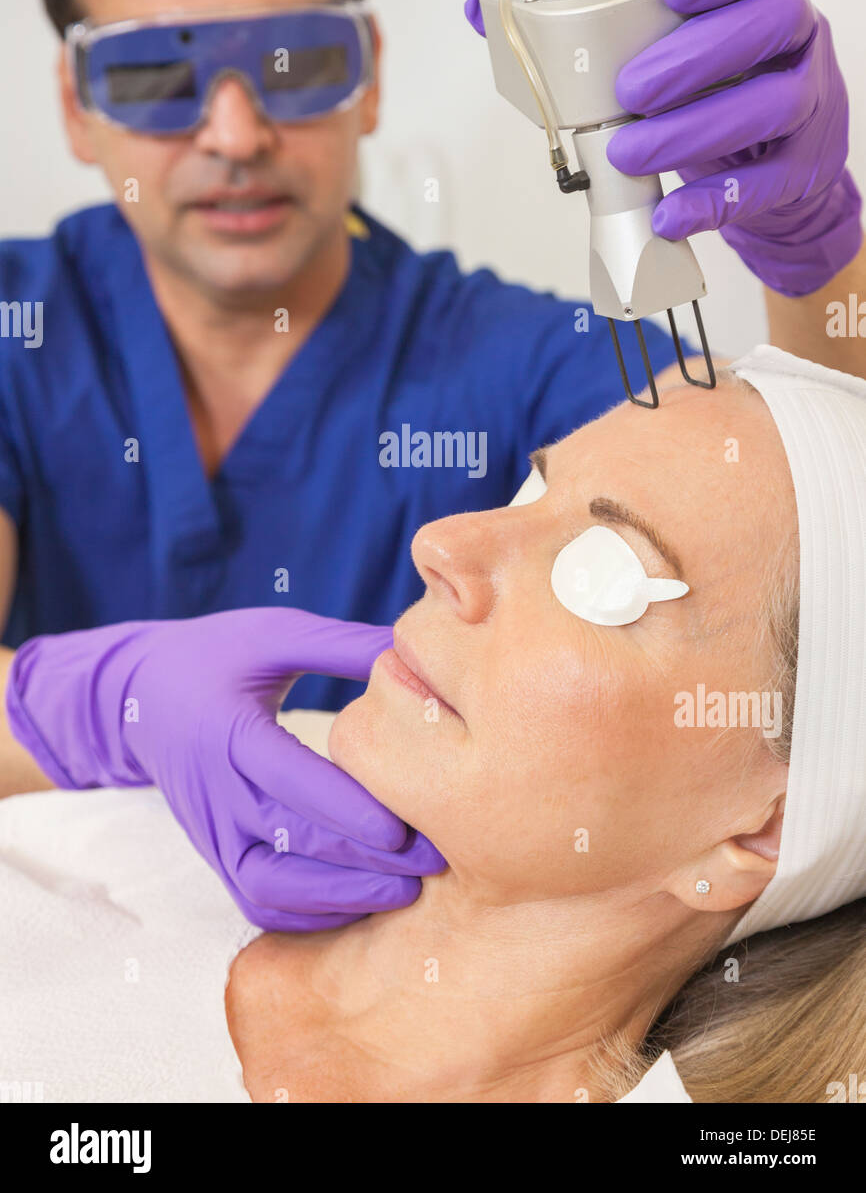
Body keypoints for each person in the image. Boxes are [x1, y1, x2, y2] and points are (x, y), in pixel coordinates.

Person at [1, 0, 863, 925]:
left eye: (291, 60)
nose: (233, 131)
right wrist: (102, 705)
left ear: (365, 74)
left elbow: (820, 542)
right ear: (75, 105)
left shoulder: (504, 363)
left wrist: (821, 259)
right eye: (156, 77)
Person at [2, 345, 864, 1103]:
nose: (444, 545)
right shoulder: (234, 783)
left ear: (765, 828)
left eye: (603, 571)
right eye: (534, 488)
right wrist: (82, 700)